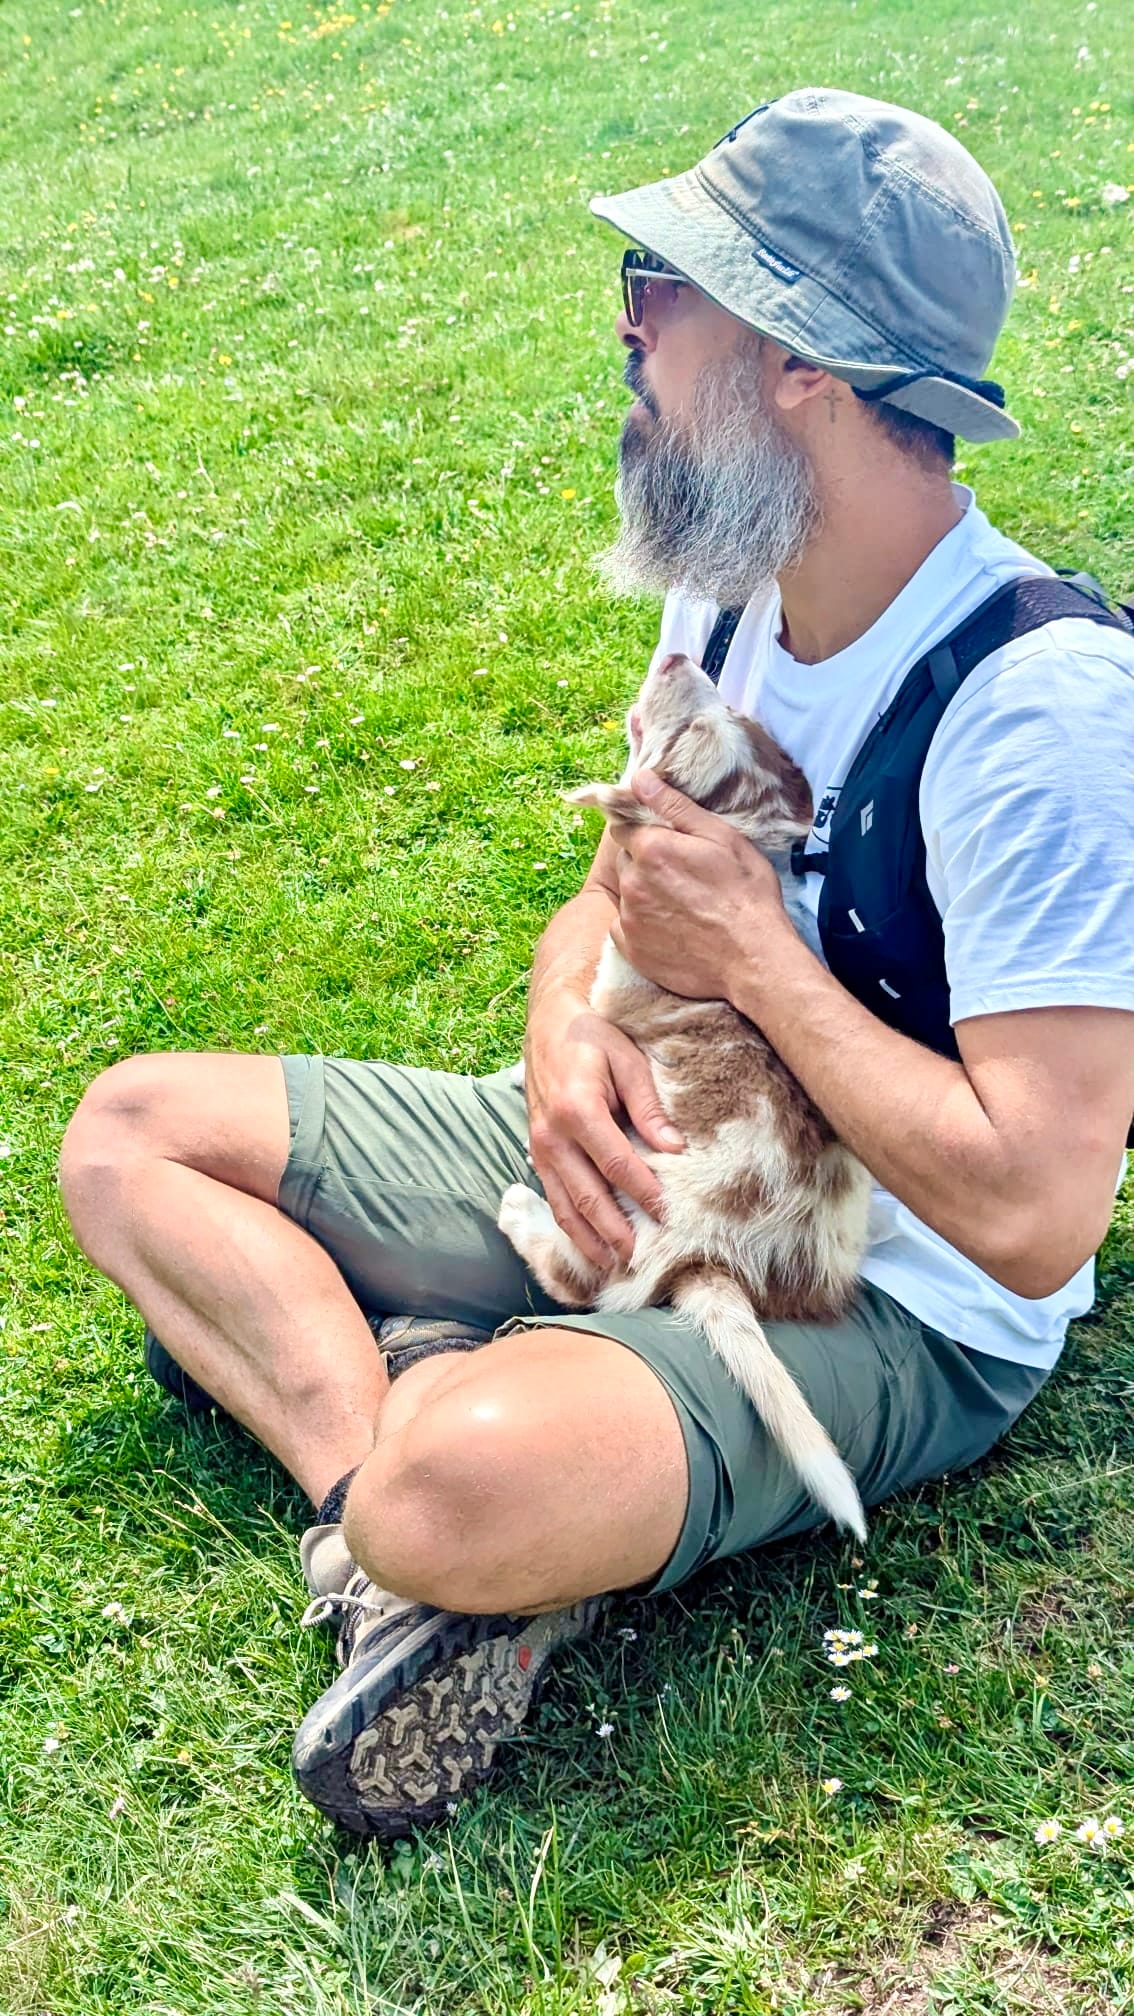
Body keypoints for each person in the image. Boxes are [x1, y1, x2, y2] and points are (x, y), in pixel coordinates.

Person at [58, 88, 1134, 1839]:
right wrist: (562, 1028)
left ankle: (442, 1463)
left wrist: (759, 964)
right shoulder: (737, 584)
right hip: (654, 1152)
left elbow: (1034, 1214)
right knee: (130, 1139)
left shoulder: (1042, 718)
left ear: (798, 361)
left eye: (659, 287)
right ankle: (394, 1523)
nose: (628, 328)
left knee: (460, 1484)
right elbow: (608, 892)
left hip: (875, 1282)